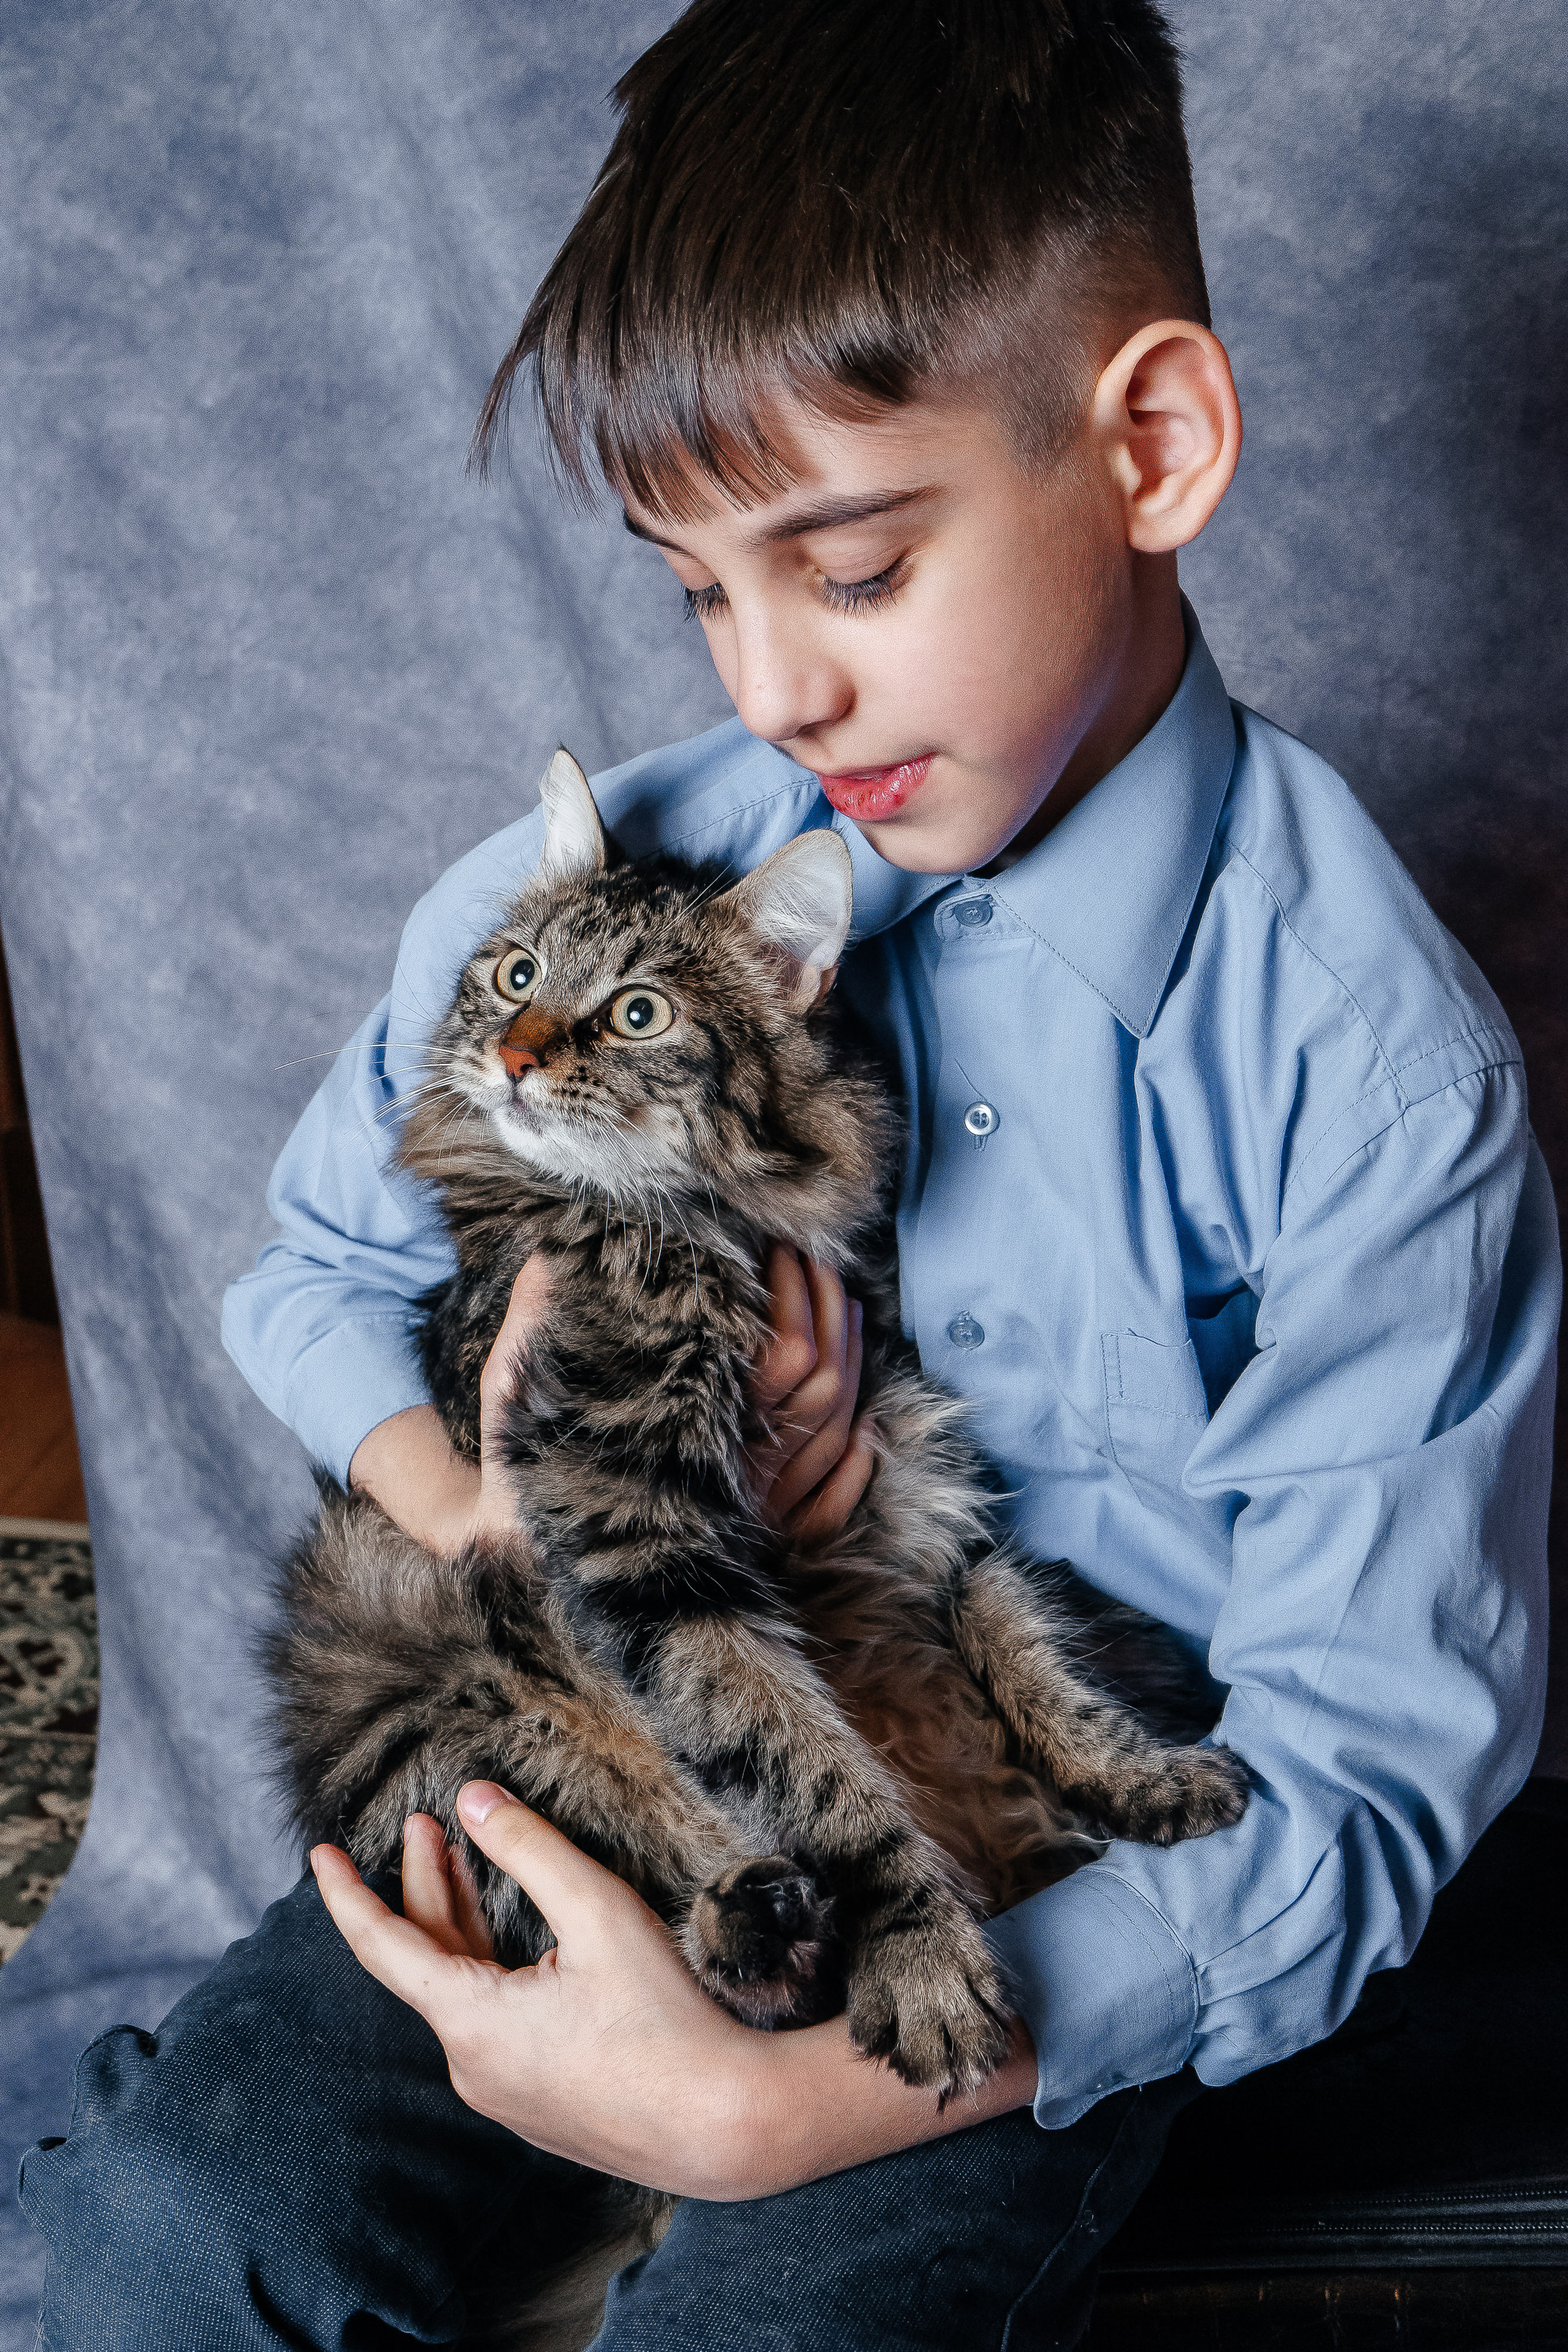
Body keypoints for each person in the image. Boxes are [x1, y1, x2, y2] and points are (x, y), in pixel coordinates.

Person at [21, 1, 1560, 2345]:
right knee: (165, 2238)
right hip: (591, 1738)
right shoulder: (619, 891)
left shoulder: (1369, 1070)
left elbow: (1362, 1765)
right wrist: (482, 1507)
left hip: (1010, 1879)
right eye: (697, 591)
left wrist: (781, 2120)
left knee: (777, 2324)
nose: (769, 696)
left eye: (846, 573)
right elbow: (316, 1268)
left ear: (1147, 442)